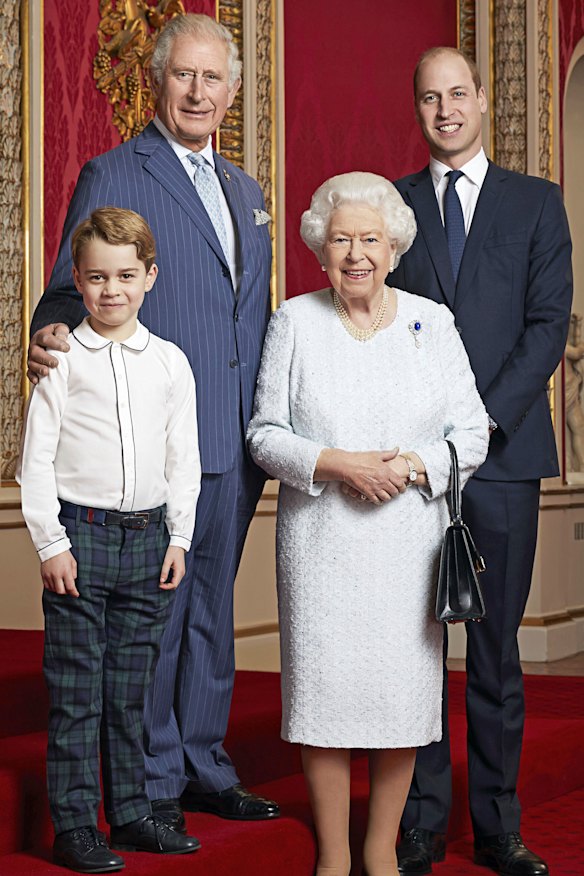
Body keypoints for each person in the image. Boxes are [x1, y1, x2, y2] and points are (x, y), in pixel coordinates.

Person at [26, 13, 279, 832]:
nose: (199, 92)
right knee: (158, 624)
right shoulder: (116, 171)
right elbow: (73, 282)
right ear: (160, 81)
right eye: (185, 76)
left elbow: (248, 315)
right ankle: (151, 779)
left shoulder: (246, 190)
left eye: (214, 79)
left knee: (213, 612)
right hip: (155, 435)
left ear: (231, 92)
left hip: (236, 436)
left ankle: (205, 761)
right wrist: (51, 329)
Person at [247, 171, 489, 876]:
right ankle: (330, 855)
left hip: (406, 543)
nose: (356, 253)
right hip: (321, 544)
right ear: (321, 249)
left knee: (401, 698)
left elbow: (471, 432)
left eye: (370, 239)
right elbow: (264, 434)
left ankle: (380, 852)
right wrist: (339, 463)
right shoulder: (295, 320)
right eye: (341, 239)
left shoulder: (430, 323)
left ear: (394, 247)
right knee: (322, 694)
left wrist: (413, 467)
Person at [392, 47, 573, 876]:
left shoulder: (537, 205)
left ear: (480, 101)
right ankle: (422, 819)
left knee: (495, 651)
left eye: (457, 94)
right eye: (430, 98)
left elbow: (546, 329)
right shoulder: (388, 208)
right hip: (414, 467)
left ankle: (498, 824)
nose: (445, 110)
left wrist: (480, 424)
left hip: (501, 459)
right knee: (420, 651)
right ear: (419, 109)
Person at [18, 207, 202, 872]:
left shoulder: (171, 364)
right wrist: (49, 543)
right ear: (78, 278)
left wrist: (179, 538)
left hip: (149, 540)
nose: (111, 290)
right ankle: (75, 824)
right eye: (97, 278)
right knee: (76, 690)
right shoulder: (62, 360)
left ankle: (129, 814)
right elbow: (34, 461)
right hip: (82, 537)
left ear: (149, 276)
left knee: (130, 689)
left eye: (126, 275)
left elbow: (184, 458)